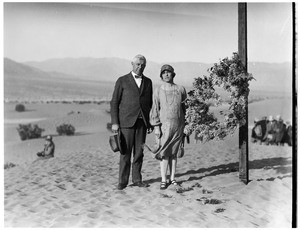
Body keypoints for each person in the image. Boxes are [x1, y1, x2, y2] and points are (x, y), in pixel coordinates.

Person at [110, 54, 153, 190]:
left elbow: (149, 104)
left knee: (139, 153)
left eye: (143, 65)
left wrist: (149, 122)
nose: (140, 67)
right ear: (132, 64)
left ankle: (137, 179)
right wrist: (115, 122)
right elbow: (114, 102)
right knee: (125, 153)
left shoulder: (148, 82)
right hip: (126, 123)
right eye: (138, 64)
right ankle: (122, 182)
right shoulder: (122, 80)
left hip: (142, 123)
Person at [150, 64, 187, 190]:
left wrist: (186, 126)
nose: (166, 74)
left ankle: (172, 178)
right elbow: (155, 109)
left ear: (173, 74)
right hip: (164, 127)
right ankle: (163, 179)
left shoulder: (181, 89)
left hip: (178, 126)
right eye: (164, 72)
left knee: (174, 153)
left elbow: (185, 109)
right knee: (164, 153)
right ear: (161, 76)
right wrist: (156, 127)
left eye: (169, 72)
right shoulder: (158, 90)